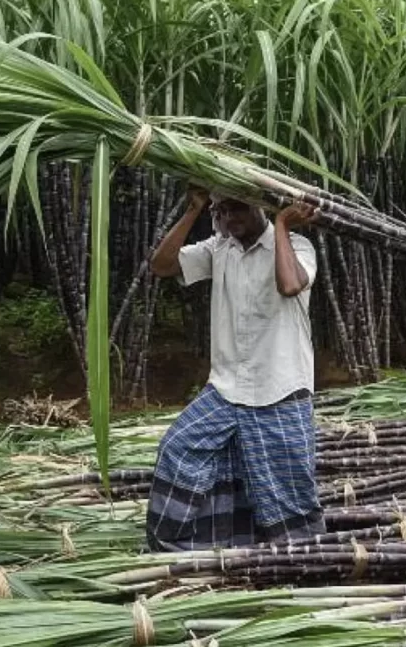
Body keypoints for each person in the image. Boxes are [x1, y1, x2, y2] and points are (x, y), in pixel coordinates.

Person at [144, 186, 326, 550]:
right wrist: (194, 209)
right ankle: (185, 549)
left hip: (280, 389)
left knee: (287, 490)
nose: (230, 218)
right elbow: (160, 266)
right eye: (222, 211)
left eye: (238, 208)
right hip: (227, 389)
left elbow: (290, 285)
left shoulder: (297, 248)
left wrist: (282, 225)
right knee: (178, 449)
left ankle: (303, 559)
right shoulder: (219, 248)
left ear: (260, 206)